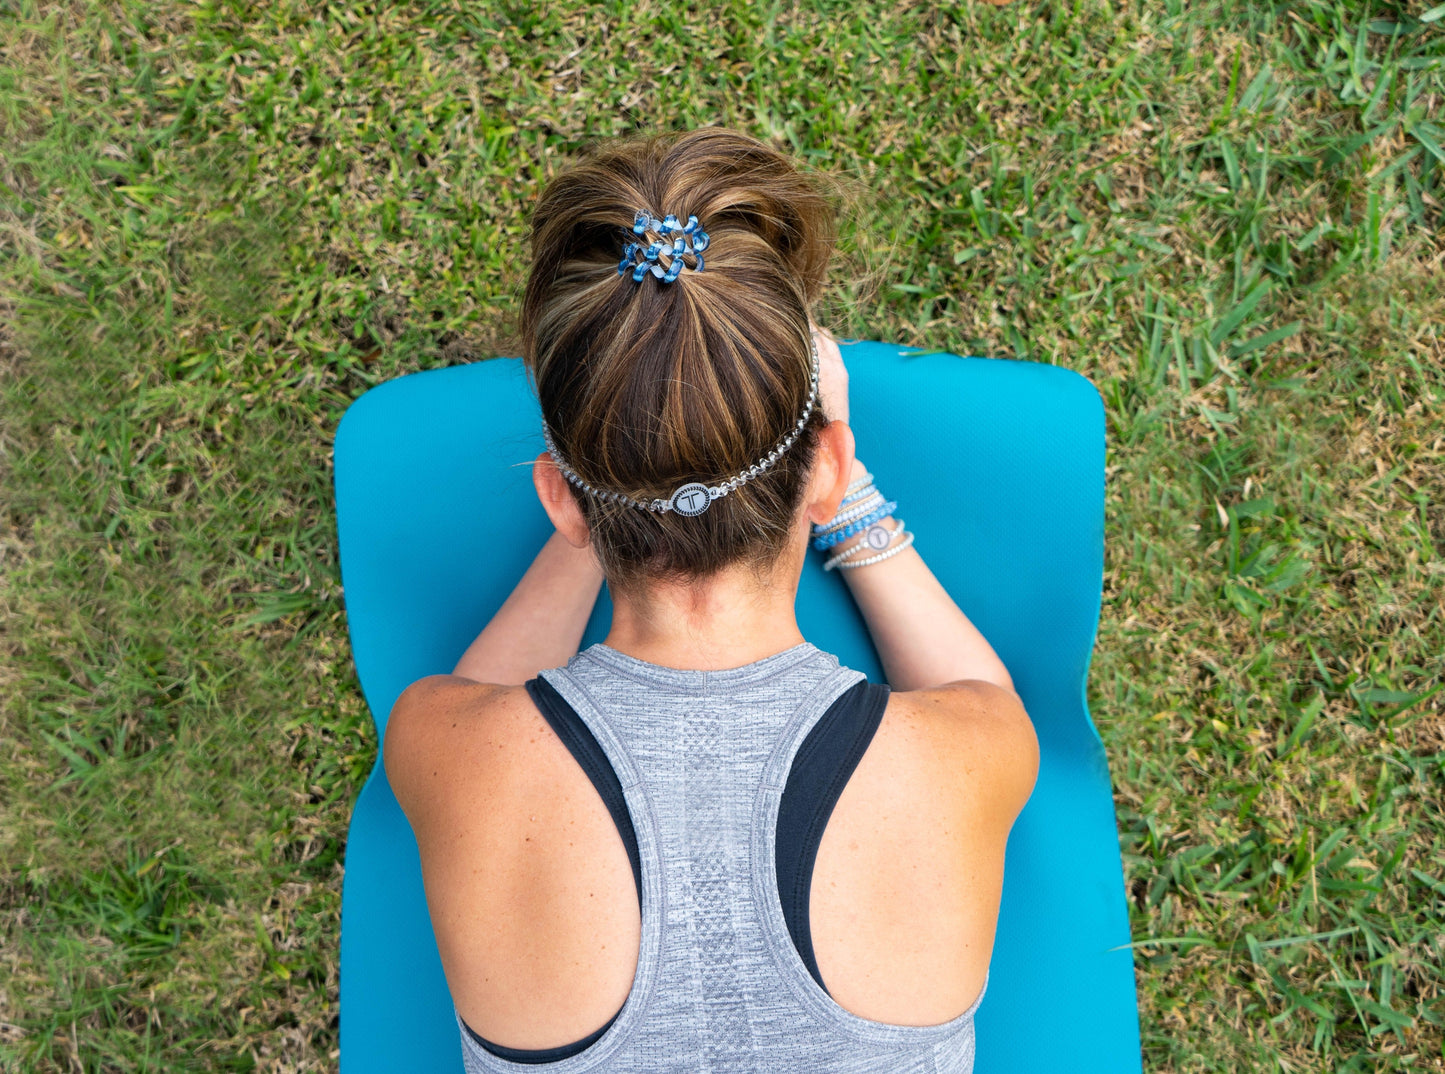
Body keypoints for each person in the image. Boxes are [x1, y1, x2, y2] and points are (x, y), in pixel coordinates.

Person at [384, 126, 1039, 1072]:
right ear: (824, 470)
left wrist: (606, 501)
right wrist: (845, 501)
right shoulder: (962, 756)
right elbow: (984, 696)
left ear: (558, 496)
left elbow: (486, 694)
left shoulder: (443, 745)